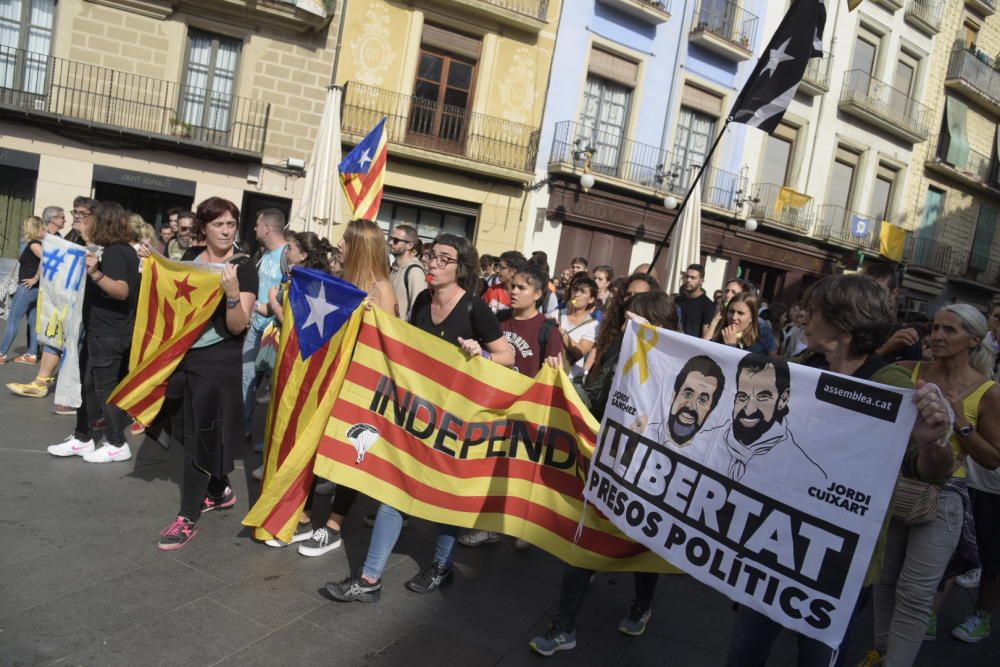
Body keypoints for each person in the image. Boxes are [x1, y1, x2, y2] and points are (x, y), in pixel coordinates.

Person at [724, 274, 956, 667]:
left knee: (817, 657)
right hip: (776, 542)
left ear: (844, 323)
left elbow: (932, 472)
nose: (803, 318)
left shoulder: (891, 385)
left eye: (813, 312)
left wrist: (934, 442)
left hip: (841, 561)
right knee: (745, 649)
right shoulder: (802, 367)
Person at [325, 233, 513, 602]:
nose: (433, 263)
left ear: (461, 269)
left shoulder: (476, 308)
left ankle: (442, 567)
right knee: (394, 491)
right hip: (416, 415)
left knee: (444, 496)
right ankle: (369, 580)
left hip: (454, 422)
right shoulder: (424, 301)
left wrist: (482, 353)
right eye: (431, 256)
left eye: (444, 259)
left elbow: (507, 356)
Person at [529, 291, 679, 657]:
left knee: (643, 545)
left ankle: (643, 604)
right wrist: (562, 381)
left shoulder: (680, 370)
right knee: (583, 544)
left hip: (649, 477)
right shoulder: (620, 358)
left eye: (635, 321)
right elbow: (591, 398)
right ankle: (564, 626)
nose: (626, 326)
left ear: (658, 327)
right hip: (608, 467)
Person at [862, 304, 1000, 666]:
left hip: (944, 500)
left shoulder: (987, 392)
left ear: (973, 340)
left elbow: (992, 458)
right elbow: (857, 386)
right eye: (935, 327)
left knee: (916, 594)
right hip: (897, 487)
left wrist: (959, 421)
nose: (937, 335)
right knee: (885, 581)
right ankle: (880, 652)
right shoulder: (910, 371)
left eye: (949, 330)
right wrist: (885, 349)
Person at [285, 219, 399, 558]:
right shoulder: (344, 281)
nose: (339, 245)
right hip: (333, 378)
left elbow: (387, 341)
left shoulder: (382, 288)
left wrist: (369, 315)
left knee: (349, 452)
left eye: (346, 241)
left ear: (361, 246)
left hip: (361, 384)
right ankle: (303, 517)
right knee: (319, 445)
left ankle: (333, 526)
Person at [153, 197, 257, 550]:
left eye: (231, 224)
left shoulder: (244, 267)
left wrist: (231, 296)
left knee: (200, 436)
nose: (226, 231)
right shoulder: (188, 260)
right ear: (204, 227)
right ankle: (218, 487)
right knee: (182, 429)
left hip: (218, 361)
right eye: (219, 225)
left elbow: (238, 325)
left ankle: (187, 516)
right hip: (183, 357)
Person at [460, 263, 566, 548]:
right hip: (494, 404)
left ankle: (522, 526)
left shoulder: (547, 329)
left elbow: (559, 373)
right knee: (490, 466)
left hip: (526, 411)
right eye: (512, 286)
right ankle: (488, 525)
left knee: (519, 472)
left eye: (521, 288)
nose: (513, 292)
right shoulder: (499, 318)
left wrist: (555, 367)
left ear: (538, 294)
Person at [45, 201, 139, 464]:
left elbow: (121, 290)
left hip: (110, 333)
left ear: (103, 222)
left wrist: (96, 274)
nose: (85, 221)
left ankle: (117, 443)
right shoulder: (113, 250)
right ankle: (83, 437)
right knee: (86, 387)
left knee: (104, 390)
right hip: (100, 331)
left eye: (90, 218)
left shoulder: (118, 253)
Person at [242, 208, 288, 437]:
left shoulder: (286, 255)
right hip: (255, 329)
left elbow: (286, 295)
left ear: (267, 228)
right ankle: (244, 428)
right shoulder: (264, 254)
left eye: (257, 224)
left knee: (272, 387)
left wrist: (263, 307)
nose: (254, 228)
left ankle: (270, 439)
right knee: (246, 378)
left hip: (273, 333)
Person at [0, 216, 45, 365]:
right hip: (35, 289)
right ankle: (32, 354)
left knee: (13, 320)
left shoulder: (33, 244)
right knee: (32, 322)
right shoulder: (36, 244)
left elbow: (45, 260)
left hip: (27, 288)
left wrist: (35, 278)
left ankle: (2, 353)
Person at [559, 276, 598, 382]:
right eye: (575, 290)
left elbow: (580, 352)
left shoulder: (593, 325)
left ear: (591, 299)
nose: (576, 294)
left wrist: (561, 332)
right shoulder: (557, 314)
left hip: (569, 379)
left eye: (583, 291)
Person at [388, 223, 426, 320]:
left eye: (396, 240)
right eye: (391, 238)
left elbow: (419, 310)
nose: (390, 242)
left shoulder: (415, 272)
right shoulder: (393, 268)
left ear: (409, 245)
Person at [676, 263, 716, 337]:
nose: (688, 280)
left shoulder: (708, 305)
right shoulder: (678, 300)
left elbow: (705, 335)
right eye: (687, 276)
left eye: (693, 278)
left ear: (701, 281)